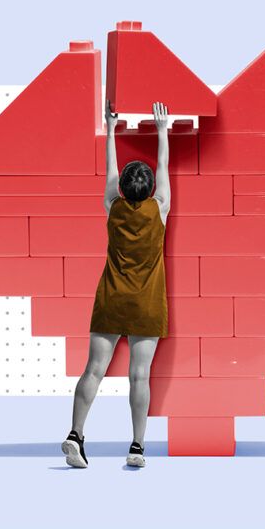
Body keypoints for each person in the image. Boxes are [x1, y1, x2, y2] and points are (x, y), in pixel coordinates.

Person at [62, 100, 172, 469]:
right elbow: (165, 166)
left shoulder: (113, 206)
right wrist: (161, 130)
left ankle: (75, 433)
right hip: (147, 304)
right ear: (151, 188)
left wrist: (110, 128)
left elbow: (110, 172)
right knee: (139, 376)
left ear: (122, 189)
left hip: (111, 299)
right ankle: (137, 447)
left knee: (93, 369)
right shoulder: (160, 208)